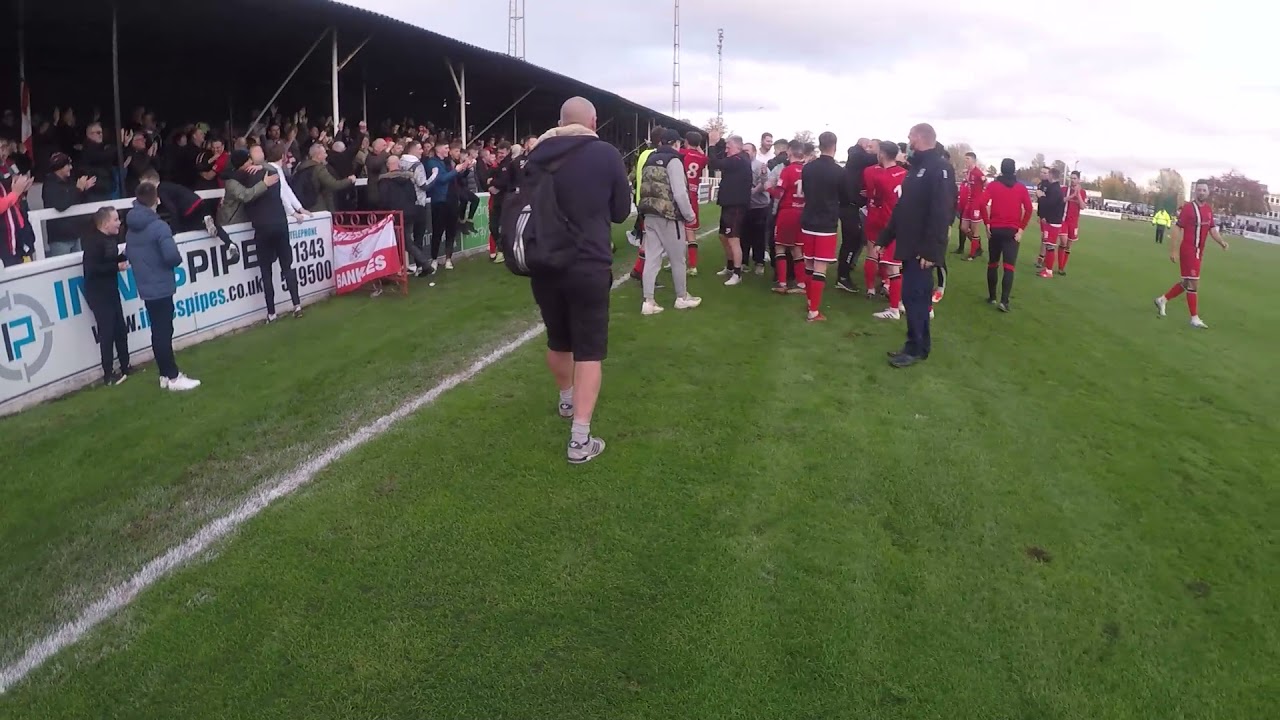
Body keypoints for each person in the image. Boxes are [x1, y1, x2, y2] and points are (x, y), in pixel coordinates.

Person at [524, 97, 630, 464]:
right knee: (588, 348)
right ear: (593, 121)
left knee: (557, 337)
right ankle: (580, 440)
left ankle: (566, 399)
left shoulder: (534, 154)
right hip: (588, 261)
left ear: (559, 120)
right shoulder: (605, 154)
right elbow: (620, 212)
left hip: (544, 260)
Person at [880, 125, 955, 368]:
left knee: (916, 298)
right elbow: (903, 209)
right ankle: (917, 345)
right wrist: (885, 238)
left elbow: (942, 213)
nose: (908, 141)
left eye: (910, 136)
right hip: (909, 244)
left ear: (921, 138)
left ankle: (916, 348)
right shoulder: (916, 169)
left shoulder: (940, 168)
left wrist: (931, 250)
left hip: (922, 250)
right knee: (912, 298)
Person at [125, 183, 200, 391]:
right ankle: (173, 377)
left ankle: (165, 375)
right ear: (155, 199)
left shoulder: (131, 228)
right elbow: (172, 257)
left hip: (146, 286)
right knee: (163, 331)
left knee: (158, 330)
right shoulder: (159, 227)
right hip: (160, 285)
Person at [637, 128, 701, 315]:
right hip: (669, 216)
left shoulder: (649, 159)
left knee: (652, 257)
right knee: (678, 259)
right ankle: (682, 297)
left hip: (649, 213)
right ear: (675, 143)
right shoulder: (674, 161)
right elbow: (680, 192)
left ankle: (648, 301)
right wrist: (689, 215)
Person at [1154, 181, 1228, 329]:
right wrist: (1173, 250)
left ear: (1208, 192)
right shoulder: (1188, 208)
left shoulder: (1208, 209)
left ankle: (1163, 299)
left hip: (1199, 251)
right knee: (1194, 283)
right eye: (1199, 190)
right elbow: (1177, 228)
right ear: (1196, 192)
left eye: (1204, 190)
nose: (1201, 192)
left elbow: (1212, 230)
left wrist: (1222, 242)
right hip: (1189, 250)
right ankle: (1194, 318)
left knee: (1187, 283)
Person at [81, 207, 134, 386]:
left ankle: (126, 366)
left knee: (120, 328)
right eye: (116, 219)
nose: (119, 223)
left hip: (111, 289)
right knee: (107, 332)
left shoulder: (110, 238)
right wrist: (116, 267)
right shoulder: (93, 242)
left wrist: (122, 256)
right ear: (105, 223)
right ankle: (108, 374)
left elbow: (109, 259)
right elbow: (93, 269)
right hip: (98, 293)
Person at [798, 132, 844, 322]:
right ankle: (814, 311)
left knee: (809, 264)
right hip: (827, 223)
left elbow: (806, 192)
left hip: (808, 220)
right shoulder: (839, 171)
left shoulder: (807, 168)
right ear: (834, 146)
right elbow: (844, 196)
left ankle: (810, 303)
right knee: (820, 267)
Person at [977, 158, 1034, 311]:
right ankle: (1004, 301)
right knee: (1009, 267)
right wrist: (1021, 229)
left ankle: (992, 297)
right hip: (1012, 232)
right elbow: (1029, 209)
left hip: (995, 229)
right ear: (1014, 170)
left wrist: (987, 223)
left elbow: (982, 203)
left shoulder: (993, 185)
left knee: (993, 264)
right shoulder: (1021, 188)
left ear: (1001, 169)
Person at [867, 141, 909, 320]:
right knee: (902, 266)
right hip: (907, 224)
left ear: (882, 154)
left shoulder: (881, 177)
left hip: (890, 225)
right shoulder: (907, 174)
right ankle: (900, 302)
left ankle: (894, 309)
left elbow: (875, 200)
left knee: (893, 269)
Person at [707, 129, 753, 285]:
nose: (725, 149)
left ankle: (737, 273)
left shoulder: (739, 160)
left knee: (733, 238)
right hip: (728, 204)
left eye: (728, 147)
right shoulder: (737, 159)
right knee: (723, 236)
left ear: (737, 147)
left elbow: (714, 163)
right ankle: (730, 266)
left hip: (736, 205)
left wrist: (712, 144)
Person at [837, 138, 876, 293]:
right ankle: (843, 276)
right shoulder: (856, 155)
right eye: (869, 147)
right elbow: (868, 158)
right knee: (851, 241)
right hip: (849, 207)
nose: (871, 150)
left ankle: (844, 274)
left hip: (851, 206)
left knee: (852, 242)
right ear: (863, 145)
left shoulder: (858, 160)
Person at [769, 139, 807, 296]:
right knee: (797, 249)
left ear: (790, 151)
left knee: (780, 247)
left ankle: (782, 283)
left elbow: (779, 193)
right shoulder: (807, 170)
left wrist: (768, 189)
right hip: (802, 213)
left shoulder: (787, 170)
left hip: (787, 212)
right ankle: (801, 283)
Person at [41, 152, 95, 256]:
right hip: (60, 238)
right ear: (59, 167)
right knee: (62, 270)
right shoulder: (50, 184)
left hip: (75, 233)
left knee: (77, 270)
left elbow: (76, 200)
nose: (71, 167)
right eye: (67, 165)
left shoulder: (69, 181)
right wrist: (78, 189)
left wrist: (83, 190)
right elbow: (60, 205)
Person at [680, 131, 708, 275]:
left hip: (681, 194)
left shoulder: (681, 153)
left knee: (677, 230)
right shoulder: (702, 158)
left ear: (685, 141)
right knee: (690, 231)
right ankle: (693, 266)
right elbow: (702, 155)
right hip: (693, 195)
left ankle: (677, 262)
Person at [1035, 167, 1067, 278]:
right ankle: (1047, 268)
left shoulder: (1055, 189)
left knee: (1050, 246)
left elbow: (1049, 204)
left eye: (1048, 174)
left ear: (1052, 175)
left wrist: (1041, 197)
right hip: (1052, 220)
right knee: (1049, 245)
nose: (1047, 176)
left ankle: (1049, 271)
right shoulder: (1055, 188)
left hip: (1054, 221)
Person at [1056, 170, 1087, 276]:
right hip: (1063, 220)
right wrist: (1072, 195)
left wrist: (1077, 195)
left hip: (1074, 222)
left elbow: (1083, 206)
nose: (1072, 180)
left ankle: (1062, 267)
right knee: (1063, 242)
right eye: (1071, 178)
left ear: (1078, 180)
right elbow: (1060, 200)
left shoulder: (1082, 192)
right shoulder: (1064, 189)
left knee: (1068, 246)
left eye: (1074, 178)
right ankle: (1060, 267)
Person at [959, 151, 987, 260]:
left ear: (973, 160)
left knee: (975, 229)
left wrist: (981, 197)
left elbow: (985, 183)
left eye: (967, 159)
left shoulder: (978, 172)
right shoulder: (969, 172)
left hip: (976, 203)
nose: (965, 161)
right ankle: (978, 247)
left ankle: (972, 254)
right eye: (965, 159)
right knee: (964, 227)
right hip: (969, 203)